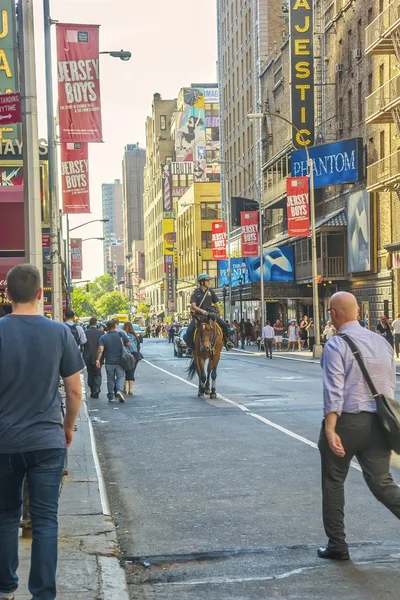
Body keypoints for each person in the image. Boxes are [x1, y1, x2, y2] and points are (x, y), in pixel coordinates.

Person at [0, 264, 83, 600]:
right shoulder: (59, 333)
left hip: (4, 441)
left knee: (6, 515)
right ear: (40, 294)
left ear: (7, 295)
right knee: (46, 520)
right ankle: (43, 594)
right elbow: (75, 391)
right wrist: (67, 429)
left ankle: (5, 587)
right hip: (48, 440)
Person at [317, 291, 400, 561]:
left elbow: (334, 390)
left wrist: (330, 428)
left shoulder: (336, 344)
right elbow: (388, 386)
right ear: (358, 312)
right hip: (380, 424)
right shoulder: (382, 343)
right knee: (383, 484)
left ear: (333, 313)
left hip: (347, 423)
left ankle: (337, 545)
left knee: (333, 482)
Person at [184, 274, 234, 358]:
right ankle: (190, 348)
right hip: (199, 316)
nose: (209, 282)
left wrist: (219, 310)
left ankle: (227, 342)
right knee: (189, 331)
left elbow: (217, 303)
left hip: (210, 315)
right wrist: (201, 310)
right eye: (207, 281)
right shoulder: (196, 293)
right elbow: (193, 305)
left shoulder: (210, 291)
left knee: (224, 325)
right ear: (202, 282)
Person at [96, 320, 130, 403]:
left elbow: (100, 349)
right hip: (120, 361)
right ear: (115, 326)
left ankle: (110, 396)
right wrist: (122, 343)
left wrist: (98, 360)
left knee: (110, 379)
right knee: (121, 377)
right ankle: (119, 390)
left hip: (109, 362)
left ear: (106, 327)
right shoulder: (120, 334)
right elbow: (129, 344)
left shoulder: (103, 337)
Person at [83, 317, 103, 398]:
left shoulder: (85, 332)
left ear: (89, 323)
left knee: (90, 373)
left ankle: (92, 389)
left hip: (88, 355)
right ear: (96, 323)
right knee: (98, 373)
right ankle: (97, 388)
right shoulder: (101, 333)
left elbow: (83, 343)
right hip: (98, 356)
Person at [122, 322, 140, 396]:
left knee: (124, 371)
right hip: (134, 355)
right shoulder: (134, 336)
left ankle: (124, 389)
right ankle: (131, 389)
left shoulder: (123, 335)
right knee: (131, 371)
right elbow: (138, 346)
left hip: (125, 355)